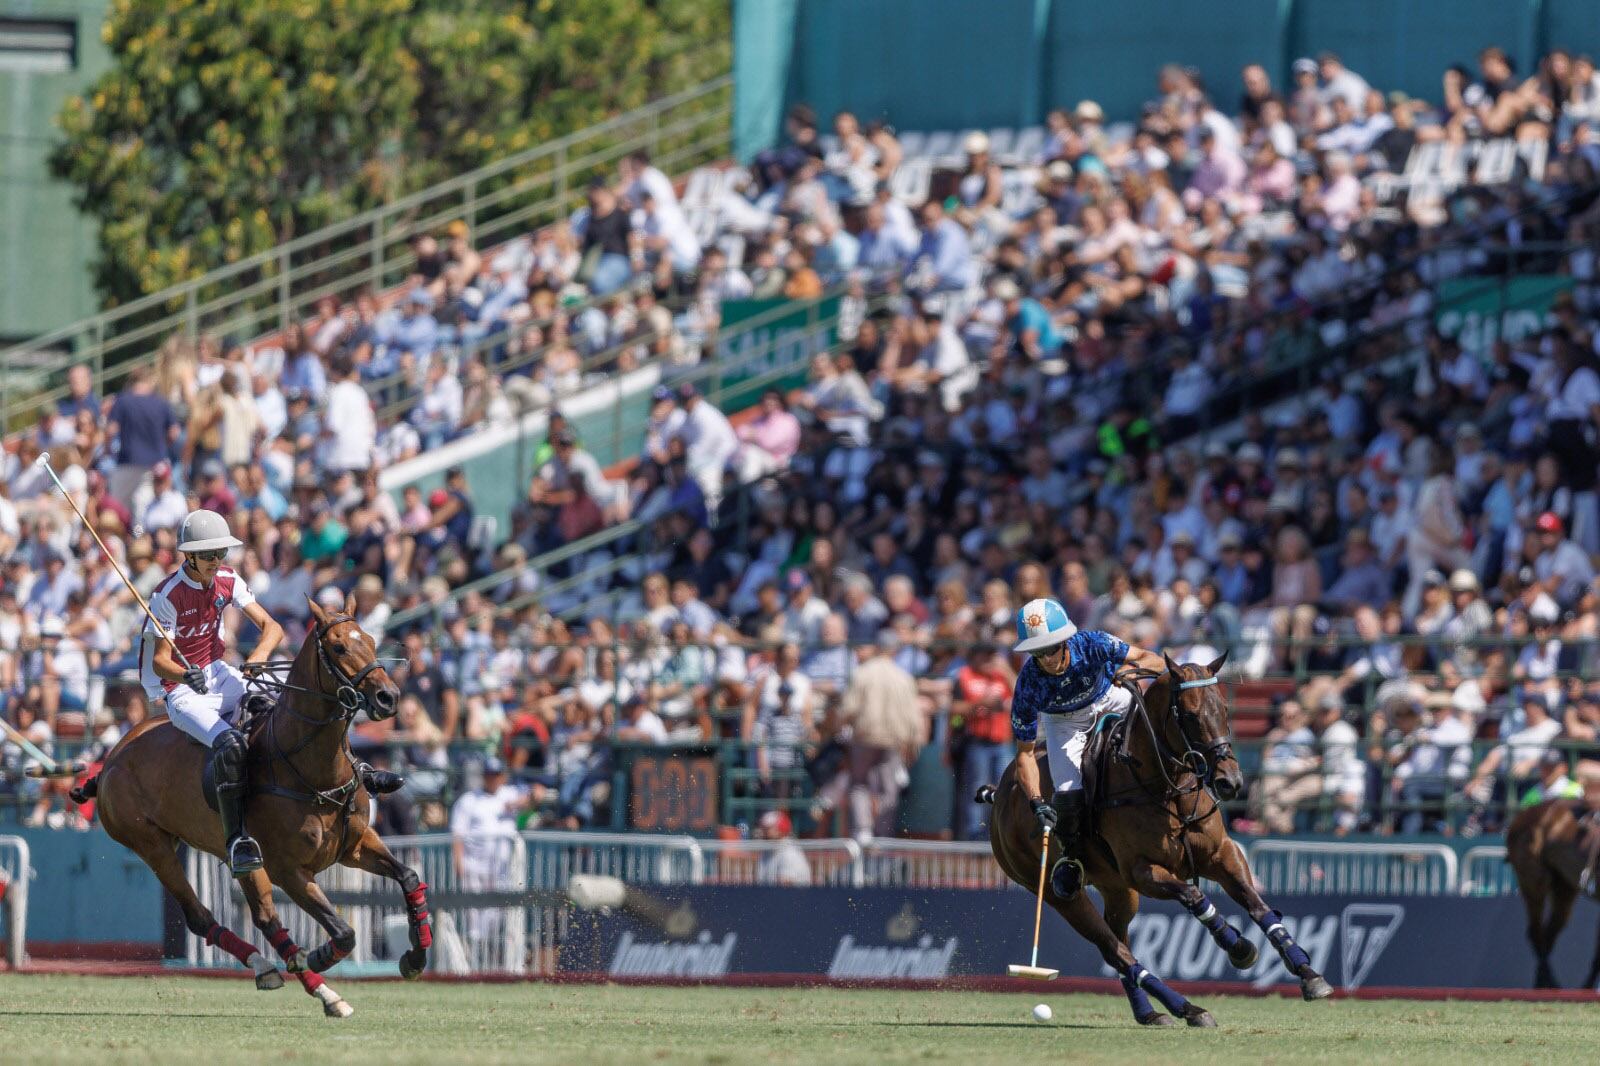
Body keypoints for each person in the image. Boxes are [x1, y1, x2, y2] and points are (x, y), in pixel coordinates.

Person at [139, 509, 285, 875]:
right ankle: (237, 840)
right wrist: (186, 676)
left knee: (275, 706)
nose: (216, 561)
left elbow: (272, 627)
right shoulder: (167, 595)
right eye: (208, 555)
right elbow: (159, 661)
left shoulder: (227, 579)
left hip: (219, 671)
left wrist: (259, 655)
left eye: (220, 553)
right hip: (182, 691)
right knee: (231, 745)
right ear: (188, 556)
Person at [1009, 597, 1166, 898]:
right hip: (1063, 722)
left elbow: (1153, 660)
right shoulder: (1028, 683)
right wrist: (1037, 801)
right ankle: (1072, 859)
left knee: (1158, 735)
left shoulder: (1093, 643)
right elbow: (1025, 754)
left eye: (1051, 647)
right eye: (1037, 652)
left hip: (1110, 696)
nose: (1047, 658)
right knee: (1067, 792)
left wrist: (1131, 672)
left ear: (1065, 639)